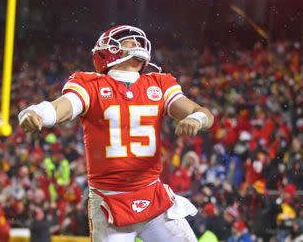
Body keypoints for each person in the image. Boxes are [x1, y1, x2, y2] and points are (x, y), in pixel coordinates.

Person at [19, 25, 214, 241]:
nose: (137, 44)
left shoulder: (159, 83)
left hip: (152, 195)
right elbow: (60, 108)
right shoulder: (90, 84)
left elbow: (202, 112)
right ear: (108, 50)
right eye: (129, 41)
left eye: (139, 41)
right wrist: (37, 112)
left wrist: (196, 119)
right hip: (109, 202)